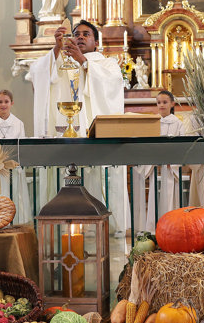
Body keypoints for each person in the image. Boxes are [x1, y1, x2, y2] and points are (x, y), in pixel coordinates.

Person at [25, 20, 128, 235]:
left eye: (86, 34)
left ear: (96, 42)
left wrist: (83, 61)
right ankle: (60, 225)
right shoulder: (58, 61)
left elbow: (113, 84)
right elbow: (35, 74)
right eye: (76, 34)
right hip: (63, 136)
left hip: (94, 140)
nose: (80, 37)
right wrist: (55, 49)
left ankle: (103, 227)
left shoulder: (106, 64)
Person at [133, 91, 183, 232]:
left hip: (170, 166)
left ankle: (172, 228)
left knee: (170, 198)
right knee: (154, 196)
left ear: (172, 104)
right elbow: (149, 144)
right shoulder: (153, 123)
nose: (161, 105)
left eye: (165, 102)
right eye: (159, 102)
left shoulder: (178, 124)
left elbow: (182, 145)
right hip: (156, 166)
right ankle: (154, 229)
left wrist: (172, 161)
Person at [0, 89, 30, 222]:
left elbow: (22, 146)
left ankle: (16, 221)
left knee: (14, 194)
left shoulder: (18, 123)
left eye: (6, 102)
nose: (3, 105)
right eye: (0, 102)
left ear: (12, 103)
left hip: (12, 166)